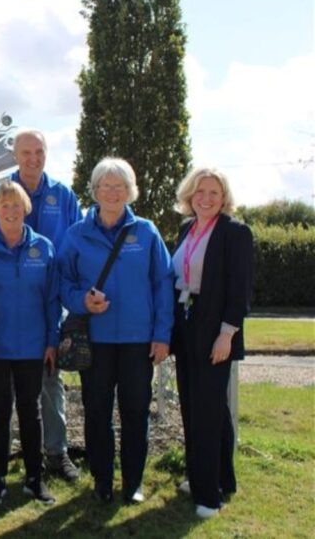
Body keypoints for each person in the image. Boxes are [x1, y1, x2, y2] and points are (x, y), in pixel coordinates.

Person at [58, 157, 173, 504]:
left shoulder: (147, 231)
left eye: (118, 186)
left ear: (129, 191)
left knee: (136, 411)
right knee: (96, 411)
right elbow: (62, 281)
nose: (111, 192)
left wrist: (163, 334)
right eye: (105, 186)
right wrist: (81, 300)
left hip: (138, 341)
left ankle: (133, 482)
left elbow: (163, 283)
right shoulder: (76, 234)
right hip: (95, 341)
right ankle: (102, 480)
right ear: (94, 190)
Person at [0, 129, 83, 482]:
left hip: (50, 303)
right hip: (1, 316)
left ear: (47, 153)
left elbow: (78, 244)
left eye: (39, 151)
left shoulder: (63, 196)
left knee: (50, 384)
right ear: (15, 156)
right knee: (0, 394)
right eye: (26, 152)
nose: (33, 158)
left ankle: (55, 452)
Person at [0, 181, 60, 506]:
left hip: (33, 346)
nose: (11, 211)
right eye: (4, 206)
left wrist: (52, 341)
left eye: (16, 205)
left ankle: (34, 479)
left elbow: (52, 300)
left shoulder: (44, 248)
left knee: (30, 409)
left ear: (26, 209)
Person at [171, 167, 253, 519]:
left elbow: (241, 288)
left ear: (224, 198)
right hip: (187, 325)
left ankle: (208, 496)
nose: (206, 198)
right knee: (199, 406)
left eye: (214, 193)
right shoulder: (187, 228)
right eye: (200, 191)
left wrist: (227, 333)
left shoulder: (235, 232)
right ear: (190, 195)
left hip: (216, 329)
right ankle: (217, 477)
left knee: (206, 411)